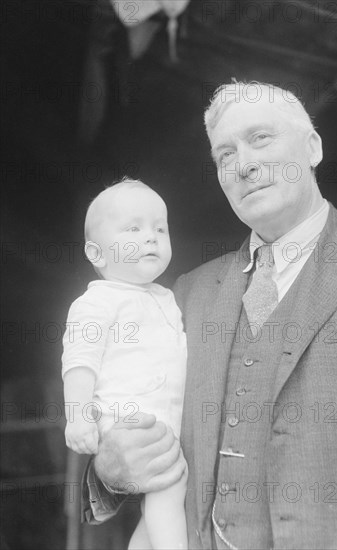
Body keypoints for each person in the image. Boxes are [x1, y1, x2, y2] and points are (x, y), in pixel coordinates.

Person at [82, 82, 337, 550]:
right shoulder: (183, 295)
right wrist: (108, 471)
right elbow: (128, 401)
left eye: (261, 138)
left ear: (313, 147)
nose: (244, 164)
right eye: (224, 155)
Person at [62, 179, 188, 549]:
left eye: (160, 228)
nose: (151, 237)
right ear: (97, 254)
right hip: (128, 418)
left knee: (169, 493)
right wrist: (78, 414)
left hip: (164, 420)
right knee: (169, 483)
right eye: (134, 229)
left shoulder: (166, 296)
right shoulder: (96, 302)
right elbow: (80, 362)